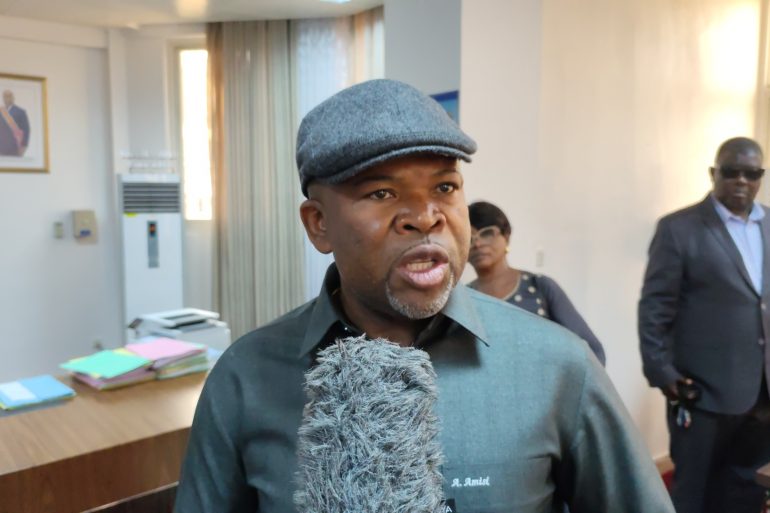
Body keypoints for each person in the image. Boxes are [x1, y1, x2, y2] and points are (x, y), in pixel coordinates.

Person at [176, 79, 673, 513]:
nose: (425, 216)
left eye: (445, 187)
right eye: (381, 193)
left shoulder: (559, 367)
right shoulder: (245, 377)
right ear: (319, 223)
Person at [639, 136, 770, 513]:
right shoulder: (679, 228)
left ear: (760, 177)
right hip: (702, 391)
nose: (741, 180)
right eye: (732, 171)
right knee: (695, 492)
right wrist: (663, 373)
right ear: (714, 173)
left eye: (751, 173)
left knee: (747, 490)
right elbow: (655, 307)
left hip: (761, 392)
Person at [467, 201, 606, 365]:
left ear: (507, 236)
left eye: (487, 233)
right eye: (469, 238)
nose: (477, 244)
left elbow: (591, 351)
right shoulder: (462, 299)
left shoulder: (539, 287)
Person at [0, 90, 30, 157]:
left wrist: (24, 146)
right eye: (5, 96)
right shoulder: (1, 111)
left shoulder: (21, 112)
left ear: (13, 98)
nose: (7, 98)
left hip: (15, 147)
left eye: (9, 96)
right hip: (1, 147)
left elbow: (26, 130)